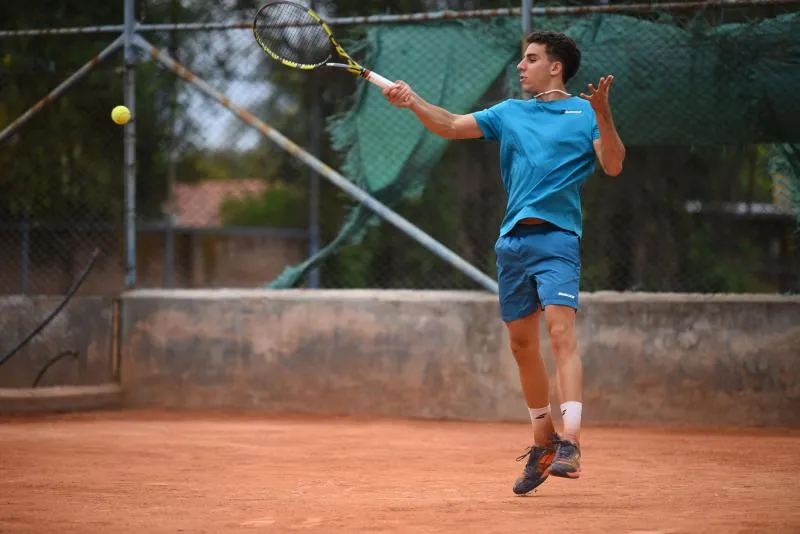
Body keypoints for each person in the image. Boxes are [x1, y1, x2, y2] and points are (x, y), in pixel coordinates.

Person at [382, 31, 625, 494]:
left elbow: (612, 164)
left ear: (556, 66)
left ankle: (570, 442)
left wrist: (605, 115)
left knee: (559, 333)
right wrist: (413, 101)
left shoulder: (584, 114)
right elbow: (451, 124)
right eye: (522, 59)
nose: (521, 66)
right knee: (520, 346)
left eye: (531, 59)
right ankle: (543, 441)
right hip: (511, 242)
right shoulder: (510, 113)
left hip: (558, 238)